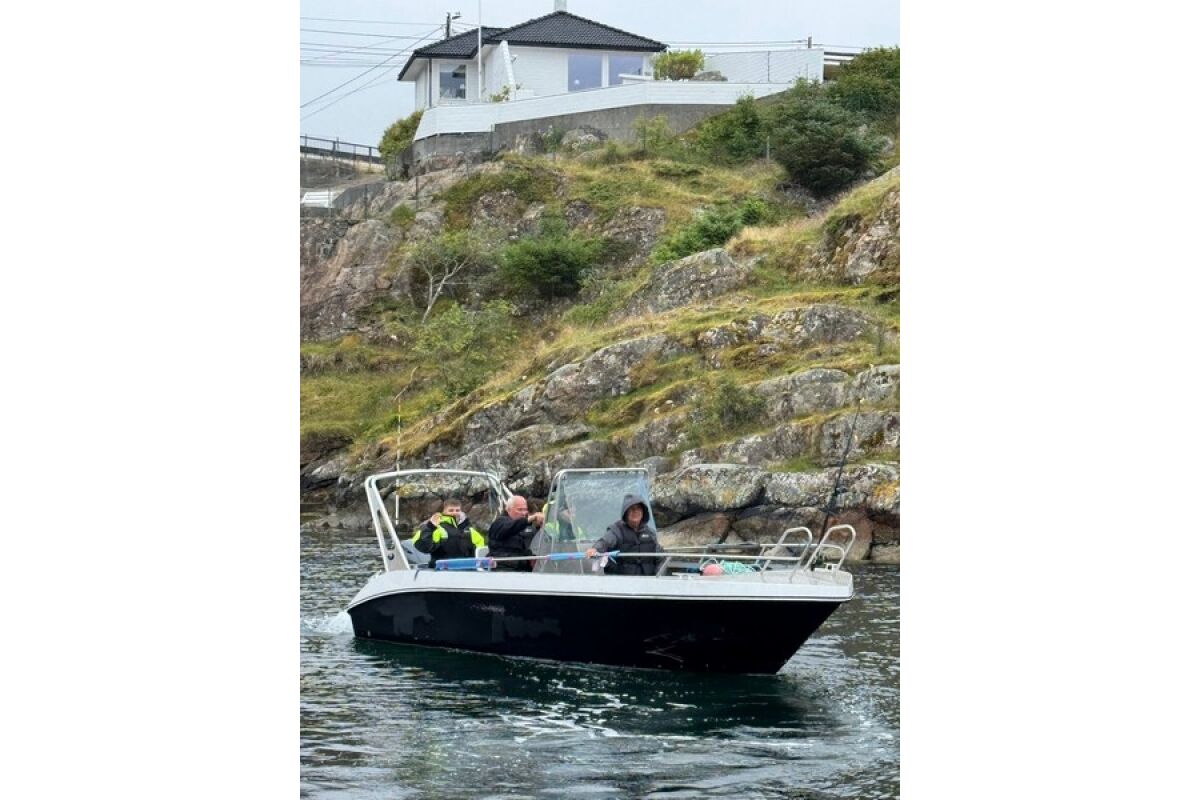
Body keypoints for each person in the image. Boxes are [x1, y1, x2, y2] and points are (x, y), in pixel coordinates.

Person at [586, 494, 662, 576]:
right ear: (625, 512)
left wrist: (658, 576)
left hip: (648, 581)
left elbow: (661, 557)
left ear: (643, 512)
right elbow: (604, 542)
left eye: (638, 508)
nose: (635, 511)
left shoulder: (651, 533)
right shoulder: (616, 530)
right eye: (632, 509)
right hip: (623, 581)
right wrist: (595, 549)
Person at [411, 497, 486, 568]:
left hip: (467, 569)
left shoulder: (469, 530)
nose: (455, 513)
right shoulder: (438, 528)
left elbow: (481, 550)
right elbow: (424, 547)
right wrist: (430, 527)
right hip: (442, 570)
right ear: (444, 511)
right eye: (451, 510)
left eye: (457, 510)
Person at [487, 495, 544, 571]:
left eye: (525, 509)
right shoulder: (499, 523)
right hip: (503, 568)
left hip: (522, 568)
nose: (523, 513)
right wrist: (530, 519)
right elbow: (511, 527)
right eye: (520, 510)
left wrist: (538, 527)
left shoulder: (524, 526)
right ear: (508, 509)